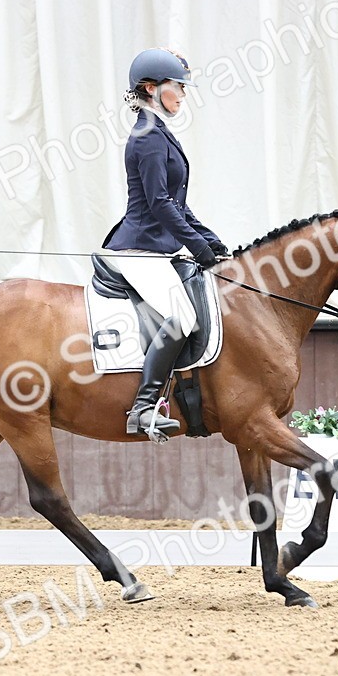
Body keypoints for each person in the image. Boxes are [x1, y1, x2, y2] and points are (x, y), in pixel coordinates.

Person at [101, 47, 231, 441]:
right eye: (179, 87)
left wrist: (211, 240)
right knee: (183, 317)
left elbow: (178, 205)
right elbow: (158, 204)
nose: (184, 94)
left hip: (157, 247)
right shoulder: (148, 137)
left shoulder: (159, 132)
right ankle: (143, 409)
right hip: (139, 249)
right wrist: (198, 248)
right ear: (151, 88)